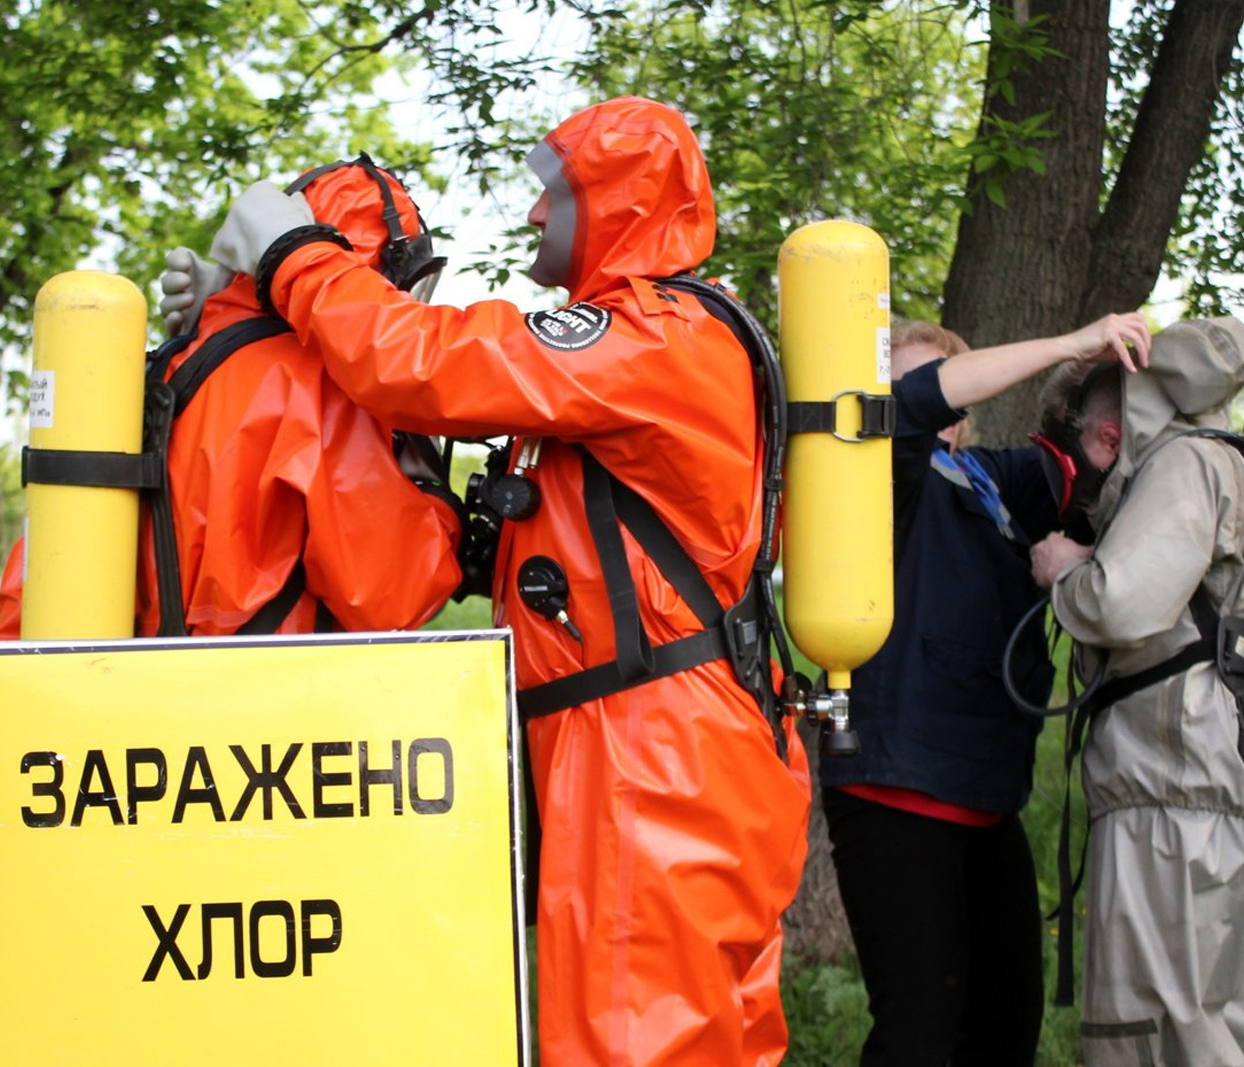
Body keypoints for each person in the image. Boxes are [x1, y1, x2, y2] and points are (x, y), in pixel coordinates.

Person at [182, 96, 812, 1067]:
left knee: (632, 1039)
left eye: (550, 198)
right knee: (706, 1038)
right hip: (665, 737)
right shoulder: (646, 348)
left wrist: (294, 259)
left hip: (650, 756)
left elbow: (425, 364)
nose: (530, 219)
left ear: (615, 203)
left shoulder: (651, 340)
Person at [1029, 317, 1244, 1067]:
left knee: (1146, 1042)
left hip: (1167, 814)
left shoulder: (1184, 466)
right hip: (1240, 820)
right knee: (1205, 1038)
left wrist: (1065, 569)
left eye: (1079, 456)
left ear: (1103, 435)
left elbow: (1123, 600)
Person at [819, 313, 1150, 1067]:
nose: (906, 391)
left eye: (925, 377)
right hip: (894, 791)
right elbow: (907, 408)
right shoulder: (874, 479)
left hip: (983, 799)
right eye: (893, 379)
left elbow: (1087, 459)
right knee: (920, 1035)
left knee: (1004, 1029)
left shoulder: (989, 481)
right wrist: (1072, 340)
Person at [0, 157, 464, 638]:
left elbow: (37, 572)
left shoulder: (171, 359)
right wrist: (441, 506)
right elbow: (391, 598)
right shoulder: (317, 384)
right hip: (255, 692)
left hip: (122, 678)